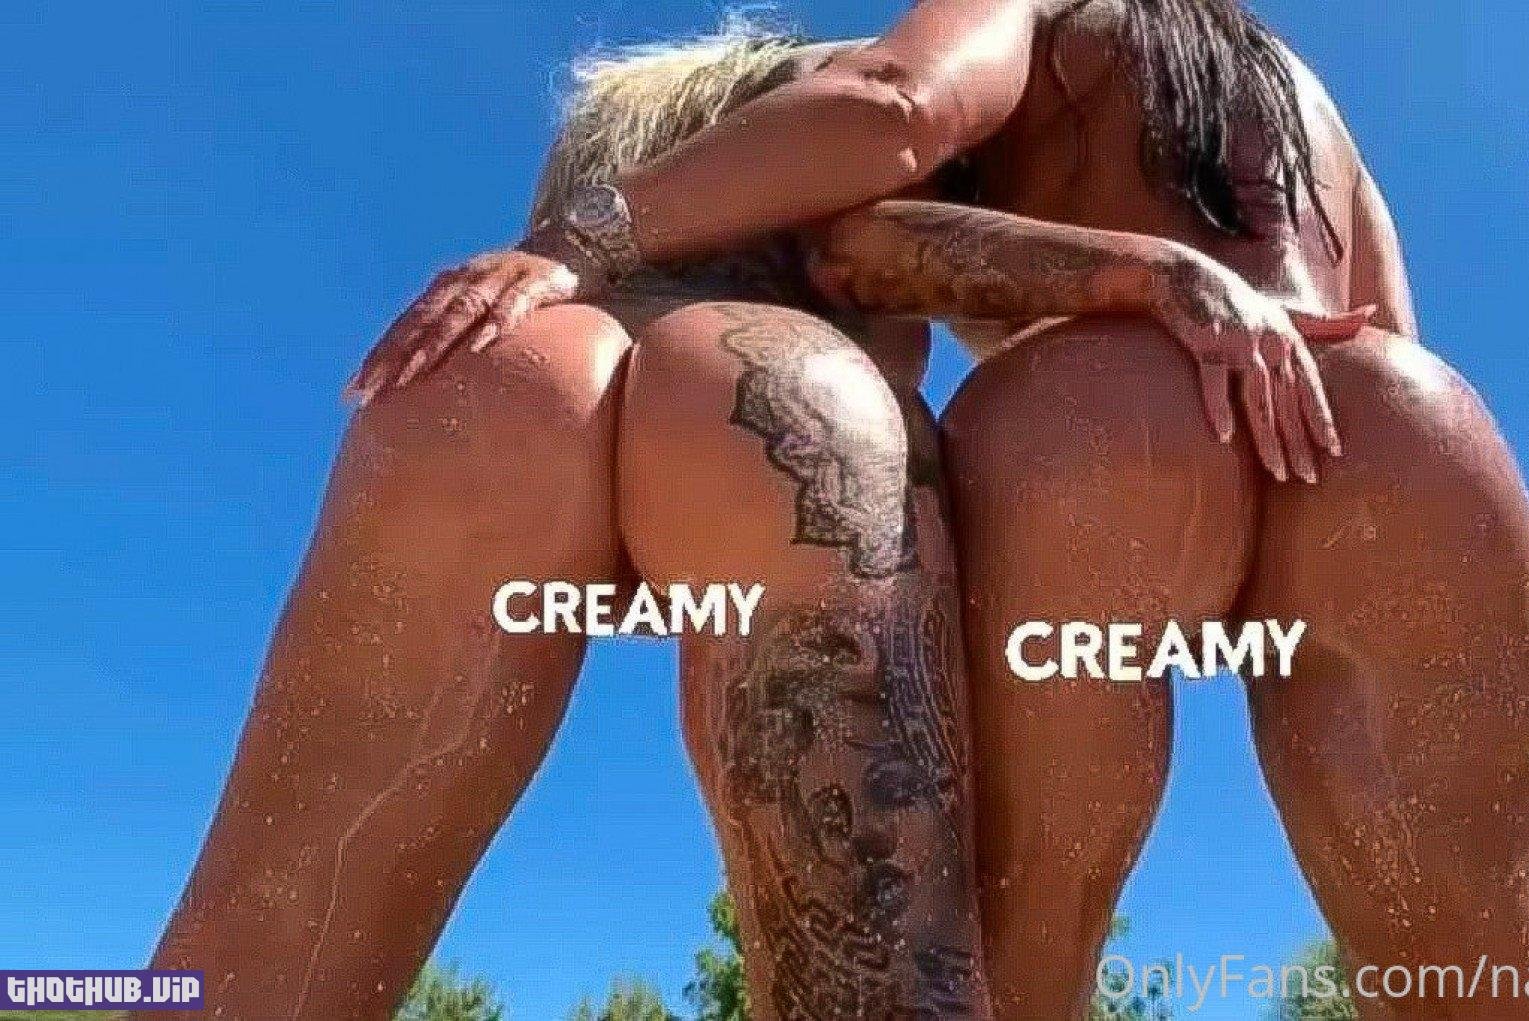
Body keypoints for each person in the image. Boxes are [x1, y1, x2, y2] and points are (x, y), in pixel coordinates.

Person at [365, 1, 1529, 1017]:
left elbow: (889, 127)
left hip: (1097, 429)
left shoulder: (1046, 12)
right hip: (1392, 426)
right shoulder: (1298, 87)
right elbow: (1385, 333)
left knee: (1009, 978)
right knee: (1501, 984)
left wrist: (583, 241)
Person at [147, 30, 1365, 1020]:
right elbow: (873, 207)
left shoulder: (593, 205)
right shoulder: (849, 98)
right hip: (777, 389)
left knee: (276, 904)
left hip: (508, 358)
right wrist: (1143, 272)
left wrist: (565, 248)